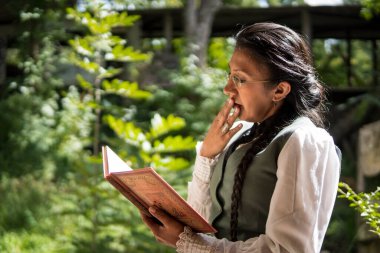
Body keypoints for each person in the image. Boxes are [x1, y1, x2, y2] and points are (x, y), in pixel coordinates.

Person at [140, 22, 341, 252]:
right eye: (230, 75)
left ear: (279, 90)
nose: (227, 88)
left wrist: (187, 242)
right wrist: (206, 155)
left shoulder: (304, 141)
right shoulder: (241, 136)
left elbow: (287, 249)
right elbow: (203, 226)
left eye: (239, 79)